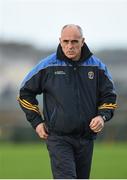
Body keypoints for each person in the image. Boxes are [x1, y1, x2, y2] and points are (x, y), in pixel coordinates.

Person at [18, 24, 117, 179]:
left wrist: (101, 116)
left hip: (86, 138)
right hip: (58, 138)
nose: (69, 46)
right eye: (65, 41)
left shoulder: (98, 67)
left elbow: (109, 97)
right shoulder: (47, 66)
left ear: (82, 41)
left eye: (74, 42)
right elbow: (24, 93)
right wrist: (37, 122)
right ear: (60, 41)